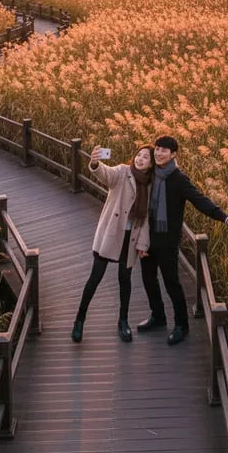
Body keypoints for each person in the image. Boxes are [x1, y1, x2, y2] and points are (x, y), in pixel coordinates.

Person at [138, 135, 228, 345]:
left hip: (167, 241)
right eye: (157, 149)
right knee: (148, 281)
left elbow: (200, 200)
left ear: (173, 155)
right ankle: (158, 316)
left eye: (164, 150)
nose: (159, 153)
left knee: (172, 284)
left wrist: (226, 218)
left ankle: (181, 326)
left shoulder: (178, 179)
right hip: (147, 238)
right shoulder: (150, 174)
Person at [71, 144, 154, 343]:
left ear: (151, 164)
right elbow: (105, 174)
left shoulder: (150, 185)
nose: (140, 159)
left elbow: (146, 218)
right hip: (110, 234)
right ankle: (79, 319)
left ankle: (123, 321)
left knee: (125, 280)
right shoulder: (122, 172)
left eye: (145, 157)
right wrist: (95, 163)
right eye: (138, 155)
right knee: (95, 277)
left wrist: (143, 244)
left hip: (130, 238)